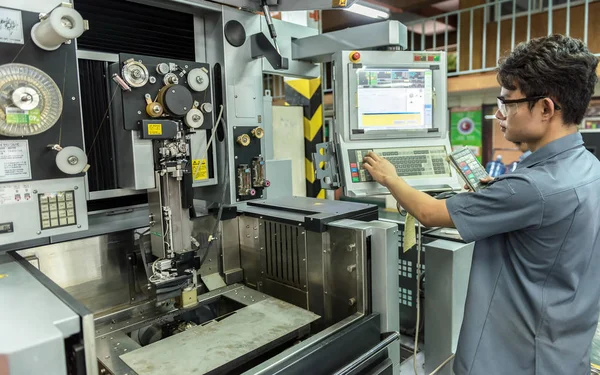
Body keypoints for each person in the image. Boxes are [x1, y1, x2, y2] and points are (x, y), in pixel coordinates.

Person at [363, 34, 600, 375]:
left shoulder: (532, 188)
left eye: (508, 103)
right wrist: (502, 190)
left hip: (513, 360)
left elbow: (430, 213)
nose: (502, 115)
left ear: (545, 108)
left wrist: (390, 177)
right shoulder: (588, 168)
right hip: (563, 351)